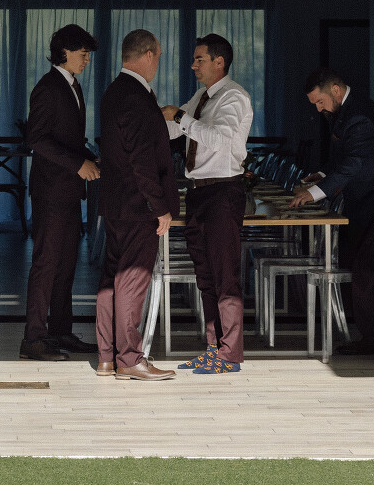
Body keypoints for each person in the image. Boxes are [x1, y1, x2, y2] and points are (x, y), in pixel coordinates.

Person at [289, 66, 374, 354]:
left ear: (335, 90)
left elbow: (354, 164)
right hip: (370, 201)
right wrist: (323, 175)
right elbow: (345, 158)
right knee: (368, 268)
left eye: (320, 101)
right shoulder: (347, 111)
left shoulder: (359, 115)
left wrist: (313, 194)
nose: (318, 109)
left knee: (371, 270)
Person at [164, 33, 254, 374]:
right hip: (199, 193)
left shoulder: (234, 96)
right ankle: (214, 349)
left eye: (199, 59)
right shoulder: (202, 96)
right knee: (205, 275)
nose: (193, 65)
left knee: (224, 274)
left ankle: (230, 355)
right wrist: (157, 117)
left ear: (220, 62)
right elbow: (176, 131)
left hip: (222, 192)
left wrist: (179, 118)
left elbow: (218, 139)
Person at [94, 29, 178, 382]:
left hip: (116, 203)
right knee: (132, 279)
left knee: (112, 279)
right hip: (137, 205)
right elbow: (142, 158)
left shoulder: (114, 91)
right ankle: (129, 358)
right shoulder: (136, 96)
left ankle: (107, 357)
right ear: (148, 54)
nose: (158, 63)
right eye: (158, 56)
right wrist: (159, 206)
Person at [19, 22, 99, 361]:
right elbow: (36, 138)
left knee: (66, 264)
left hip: (67, 190)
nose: (87, 60)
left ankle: (60, 331)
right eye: (83, 54)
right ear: (64, 52)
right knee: (46, 264)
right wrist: (78, 163)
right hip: (51, 191)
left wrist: (89, 158)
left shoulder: (72, 85)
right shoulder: (48, 87)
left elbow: (66, 138)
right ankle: (33, 339)